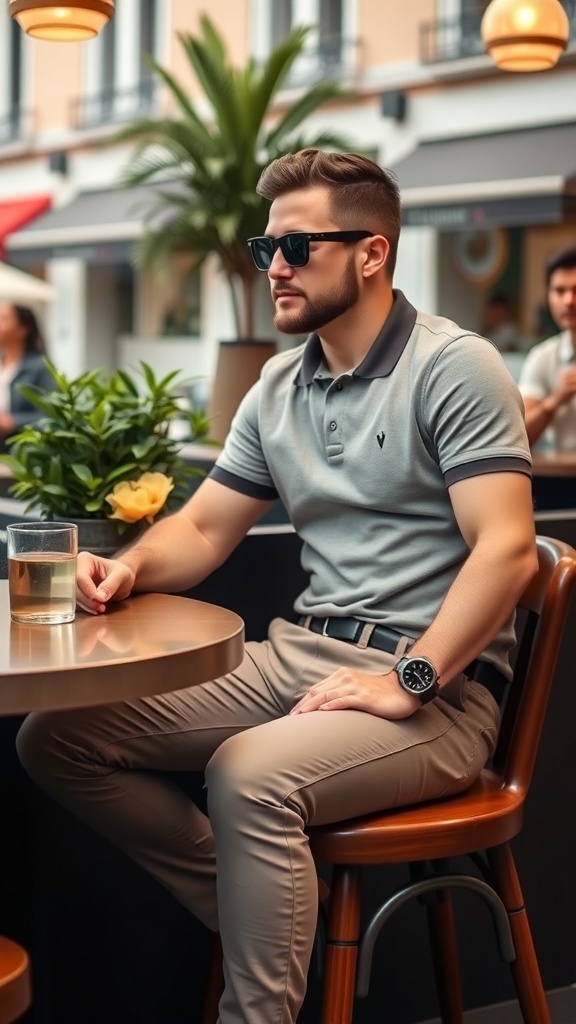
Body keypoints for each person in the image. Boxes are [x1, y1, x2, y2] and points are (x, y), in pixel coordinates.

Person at [16, 151, 537, 1024]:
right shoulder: (278, 384)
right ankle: (266, 912)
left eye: (297, 246)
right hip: (299, 658)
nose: (276, 268)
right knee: (57, 737)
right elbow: (204, 527)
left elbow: (508, 552)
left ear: (371, 253)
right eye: (268, 250)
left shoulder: (456, 366)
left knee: (248, 774)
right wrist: (132, 563)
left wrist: (408, 682)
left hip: (435, 696)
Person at [518, 246, 576, 449]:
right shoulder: (542, 358)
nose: (569, 301)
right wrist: (554, 401)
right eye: (559, 291)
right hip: (556, 478)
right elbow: (519, 437)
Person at [0, 302, 54, 453]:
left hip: (21, 454)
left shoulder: (40, 368)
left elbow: (50, 417)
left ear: (23, 329)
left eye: (4, 319)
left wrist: (12, 422)